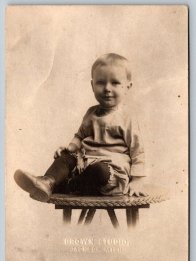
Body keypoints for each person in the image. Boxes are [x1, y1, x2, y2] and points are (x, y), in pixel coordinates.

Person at [14, 53, 148, 202]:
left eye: (115, 83)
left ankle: (65, 186)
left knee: (99, 170)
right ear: (92, 85)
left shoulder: (127, 118)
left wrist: (137, 180)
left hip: (110, 173)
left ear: (127, 87)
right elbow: (80, 136)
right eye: (101, 82)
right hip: (84, 164)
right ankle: (48, 182)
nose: (107, 88)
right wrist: (71, 147)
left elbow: (138, 151)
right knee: (66, 157)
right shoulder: (91, 113)